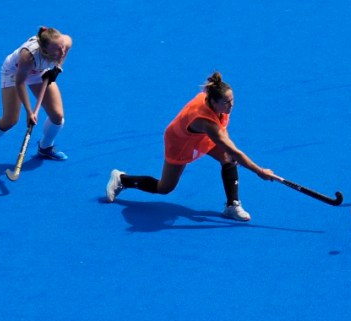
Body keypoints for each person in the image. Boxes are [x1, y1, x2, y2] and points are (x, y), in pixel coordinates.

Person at [105, 72, 275, 222]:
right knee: (165, 188)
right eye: (226, 102)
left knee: (227, 158)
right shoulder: (205, 122)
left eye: (232, 100)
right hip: (179, 142)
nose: (231, 105)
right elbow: (231, 148)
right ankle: (122, 179)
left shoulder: (213, 101)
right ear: (214, 103)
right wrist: (259, 171)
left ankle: (232, 205)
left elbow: (226, 141)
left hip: (202, 137)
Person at [0, 26, 72, 172]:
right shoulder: (28, 56)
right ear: (45, 49)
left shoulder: (62, 44)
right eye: (57, 50)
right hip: (14, 73)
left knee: (57, 116)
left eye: (62, 48)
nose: (62, 52)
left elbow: (68, 43)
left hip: (39, 72)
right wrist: (29, 112)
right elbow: (20, 82)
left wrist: (57, 68)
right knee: (10, 120)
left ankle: (45, 147)